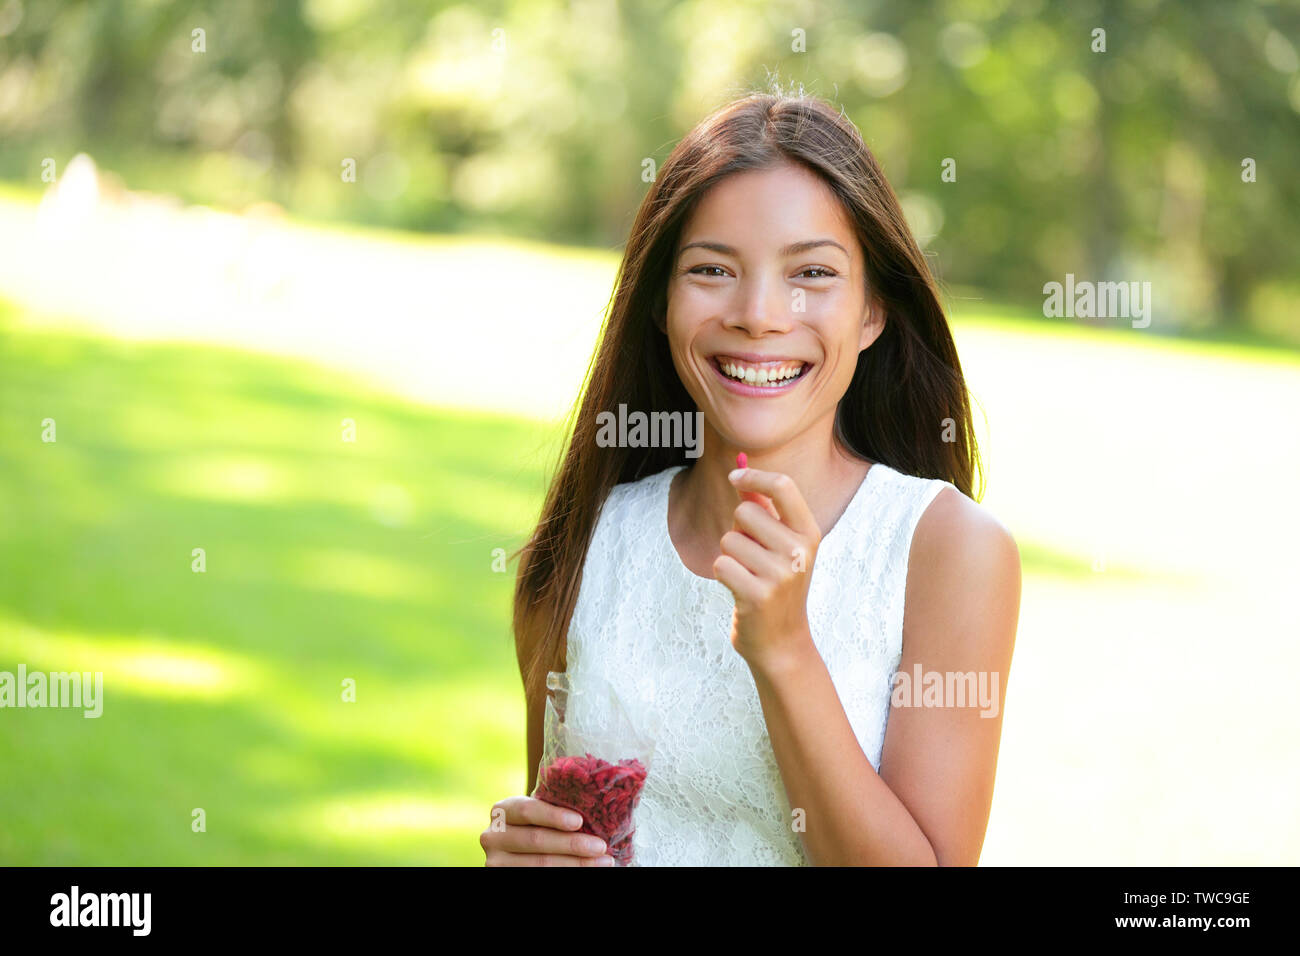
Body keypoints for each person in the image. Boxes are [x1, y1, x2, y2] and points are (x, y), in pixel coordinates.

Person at [481, 89, 1020, 866]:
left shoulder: (948, 551)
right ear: (660, 302)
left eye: (811, 272)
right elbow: (565, 822)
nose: (760, 314)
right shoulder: (583, 545)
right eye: (711, 269)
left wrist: (785, 648)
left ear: (872, 311)